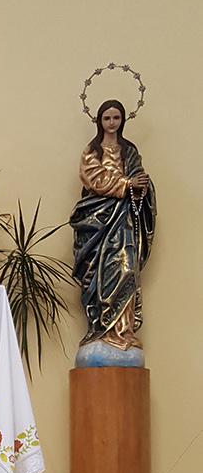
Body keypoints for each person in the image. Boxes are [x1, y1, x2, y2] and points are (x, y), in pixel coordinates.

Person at [70, 99, 156, 351]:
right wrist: (126, 184)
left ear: (122, 120)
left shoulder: (129, 150)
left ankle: (124, 330)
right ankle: (101, 327)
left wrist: (141, 185)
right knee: (100, 272)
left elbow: (138, 180)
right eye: (106, 118)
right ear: (99, 121)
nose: (111, 123)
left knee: (126, 270)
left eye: (116, 118)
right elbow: (94, 179)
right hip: (97, 221)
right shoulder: (92, 151)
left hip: (125, 221)